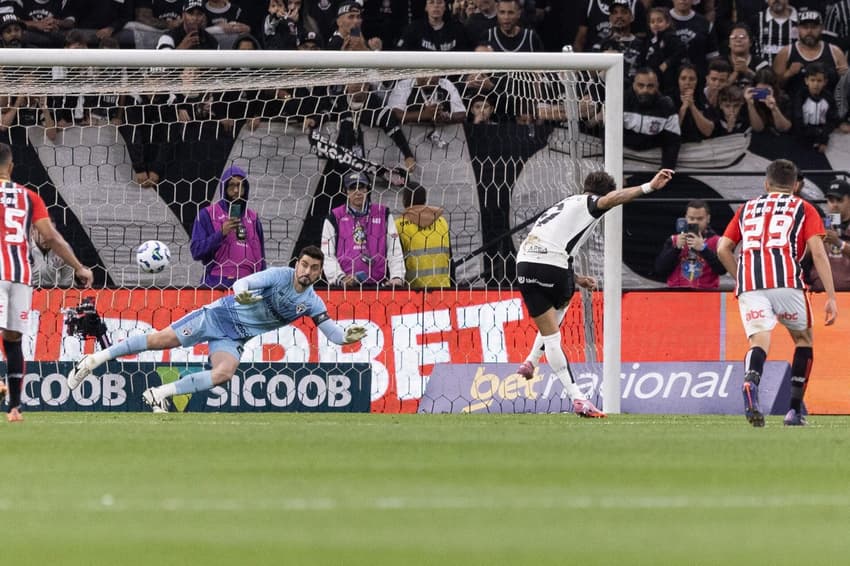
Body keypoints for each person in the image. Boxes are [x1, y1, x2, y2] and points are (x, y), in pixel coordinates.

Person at [67, 246, 367, 412]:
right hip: (217, 316)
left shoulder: (313, 302)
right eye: (304, 264)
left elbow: (333, 333)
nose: (306, 271)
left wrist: (346, 338)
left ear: (320, 272)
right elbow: (243, 283)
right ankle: (93, 360)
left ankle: (159, 394)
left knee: (224, 373)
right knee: (160, 339)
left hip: (235, 337)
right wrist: (242, 294)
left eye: (314, 268)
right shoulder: (280, 276)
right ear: (297, 264)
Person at [515, 167, 676, 418]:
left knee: (550, 328)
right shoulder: (591, 203)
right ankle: (576, 397)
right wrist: (649, 187)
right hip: (554, 267)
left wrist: (576, 278)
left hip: (524, 263)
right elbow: (609, 200)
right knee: (555, 328)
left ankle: (531, 362)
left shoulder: (564, 203)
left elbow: (550, 242)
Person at [717, 158, 838, 427]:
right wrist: (831, 295)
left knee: (759, 340)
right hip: (787, 281)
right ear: (795, 185)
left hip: (751, 285)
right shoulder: (804, 207)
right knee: (803, 339)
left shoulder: (747, 208)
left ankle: (750, 381)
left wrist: (742, 279)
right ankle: (794, 411)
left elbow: (723, 247)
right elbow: (817, 251)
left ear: (766, 183)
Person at [0, 142, 94, 422]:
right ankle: (15, 408)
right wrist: (79, 267)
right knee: (13, 339)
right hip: (20, 278)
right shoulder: (29, 197)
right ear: (12, 166)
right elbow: (51, 237)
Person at [321, 171, 405, 288]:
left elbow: (394, 249)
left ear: (367, 189)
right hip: (346, 288)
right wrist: (340, 278)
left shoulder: (383, 214)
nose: (358, 192)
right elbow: (327, 254)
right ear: (345, 191)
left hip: (379, 286)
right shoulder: (334, 217)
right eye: (352, 188)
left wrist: (397, 277)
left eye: (361, 187)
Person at [190, 165, 266, 289]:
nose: (236, 190)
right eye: (232, 185)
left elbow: (261, 257)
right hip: (218, 282)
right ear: (224, 187)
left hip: (250, 285)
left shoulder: (253, 218)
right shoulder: (208, 214)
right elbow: (196, 251)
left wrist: (263, 284)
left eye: (240, 185)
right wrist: (221, 234)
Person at [654, 199, 726, 289]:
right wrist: (676, 248)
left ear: (708, 219)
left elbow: (722, 270)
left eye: (700, 219)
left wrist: (704, 249)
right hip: (677, 295)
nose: (695, 222)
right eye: (691, 218)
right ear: (685, 218)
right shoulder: (674, 240)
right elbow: (660, 269)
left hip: (706, 295)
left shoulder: (718, 241)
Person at [395, 181, 451, 289]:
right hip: (444, 290)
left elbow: (397, 261)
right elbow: (450, 257)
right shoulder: (442, 222)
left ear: (404, 200)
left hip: (414, 292)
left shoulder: (399, 225)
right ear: (424, 200)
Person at [624, 67, 681, 169]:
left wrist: (665, 172)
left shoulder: (666, 106)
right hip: (622, 156)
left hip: (653, 160)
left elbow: (672, 142)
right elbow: (608, 135)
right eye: (641, 85)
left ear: (657, 86)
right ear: (633, 85)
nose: (645, 90)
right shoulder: (621, 100)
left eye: (650, 86)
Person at [806, 178, 850, 291]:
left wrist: (839, 243)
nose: (834, 205)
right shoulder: (819, 224)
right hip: (820, 293)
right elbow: (801, 255)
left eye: (839, 200)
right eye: (831, 200)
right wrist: (813, 242)